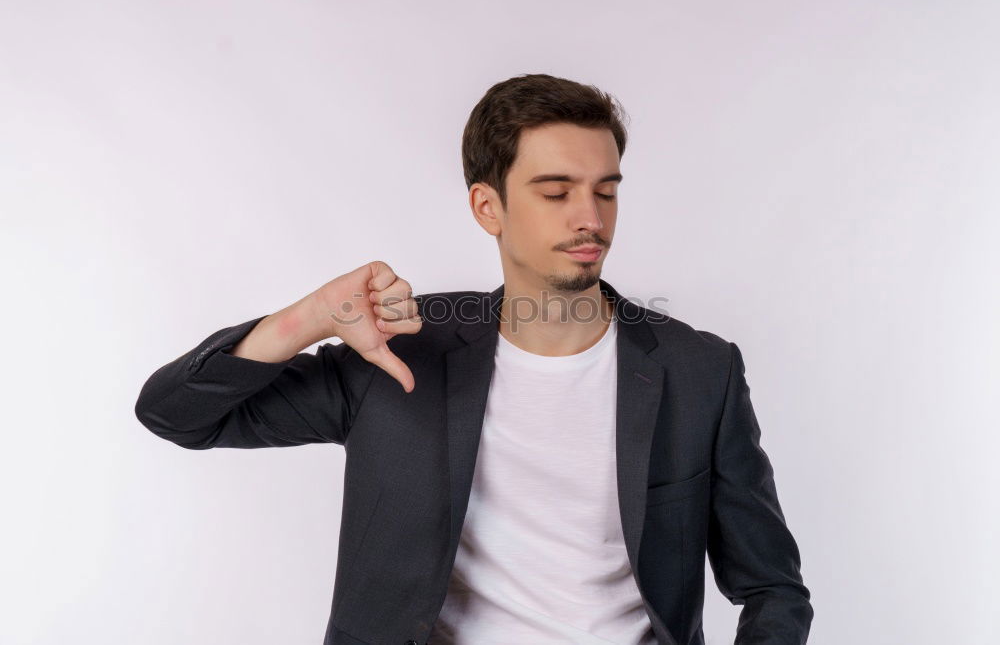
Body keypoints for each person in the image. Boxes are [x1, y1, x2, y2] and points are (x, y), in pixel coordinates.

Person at [135, 73, 813, 645]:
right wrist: (304, 320)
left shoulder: (698, 370)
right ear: (488, 207)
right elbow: (176, 415)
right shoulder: (403, 354)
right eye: (556, 192)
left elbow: (773, 588)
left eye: (605, 190)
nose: (591, 218)